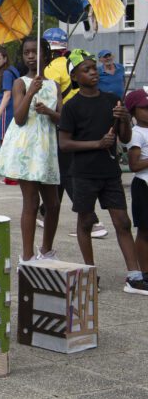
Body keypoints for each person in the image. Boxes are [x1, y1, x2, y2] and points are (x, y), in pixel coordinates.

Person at [58, 50, 148, 294]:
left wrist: (123, 118)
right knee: (86, 221)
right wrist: (96, 144)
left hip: (109, 172)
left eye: (93, 67)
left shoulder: (111, 100)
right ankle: (89, 272)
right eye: (86, 70)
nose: (93, 72)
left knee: (123, 221)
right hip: (83, 173)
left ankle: (134, 275)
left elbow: (125, 137)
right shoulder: (71, 106)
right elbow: (64, 144)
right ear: (75, 76)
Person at [0, 37, 61, 262]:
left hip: (47, 148)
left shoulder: (54, 85)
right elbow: (20, 118)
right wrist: (31, 92)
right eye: (26, 53)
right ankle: (27, 255)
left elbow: (61, 119)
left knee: (53, 203)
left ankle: (47, 249)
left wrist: (50, 112)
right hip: (27, 149)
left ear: (46, 55)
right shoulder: (20, 83)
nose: (31, 56)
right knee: (31, 201)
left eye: (35, 52)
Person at [43, 27, 109, 239]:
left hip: (64, 123)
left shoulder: (52, 67)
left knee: (67, 173)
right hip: (84, 119)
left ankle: (93, 221)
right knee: (62, 174)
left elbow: (50, 98)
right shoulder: (72, 62)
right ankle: (46, 212)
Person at [121, 89, 148, 286]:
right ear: (133, 111)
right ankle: (145, 271)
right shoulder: (137, 134)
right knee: (144, 230)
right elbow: (134, 165)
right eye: (145, 108)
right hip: (143, 185)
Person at [0, 46, 20, 188]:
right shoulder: (12, 71)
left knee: (6, 143)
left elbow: (7, 94)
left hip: (7, 112)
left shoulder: (6, 74)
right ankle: (13, 175)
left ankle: (11, 177)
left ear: (5, 59)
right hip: (14, 110)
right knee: (12, 144)